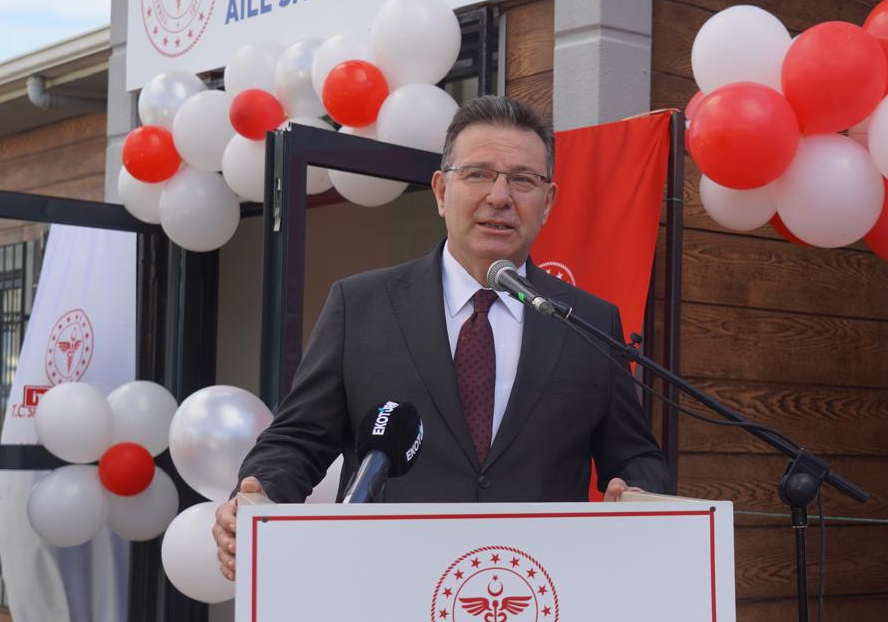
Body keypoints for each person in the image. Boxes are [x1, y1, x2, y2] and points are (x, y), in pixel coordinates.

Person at [213, 95, 669, 579]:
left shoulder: (587, 321)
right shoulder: (362, 305)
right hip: (389, 591)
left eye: (523, 180)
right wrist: (259, 496)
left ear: (548, 202)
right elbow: (298, 439)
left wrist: (638, 489)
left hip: (538, 602)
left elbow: (636, 454)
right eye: (477, 174)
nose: (500, 196)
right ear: (440, 191)